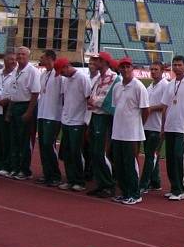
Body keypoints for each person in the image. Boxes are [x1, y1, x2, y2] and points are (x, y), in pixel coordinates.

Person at [158, 55, 184, 201]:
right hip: (170, 126)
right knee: (170, 158)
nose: (176, 67)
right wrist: (163, 126)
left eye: (179, 65)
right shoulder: (170, 84)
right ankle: (174, 187)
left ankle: (181, 189)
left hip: (183, 127)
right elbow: (164, 107)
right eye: (174, 65)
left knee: (177, 157)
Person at [110, 58, 149, 205]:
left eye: (128, 67)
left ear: (132, 68)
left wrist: (137, 126)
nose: (125, 70)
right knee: (119, 164)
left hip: (131, 134)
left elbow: (145, 110)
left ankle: (135, 193)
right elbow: (116, 107)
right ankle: (125, 192)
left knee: (130, 164)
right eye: (123, 67)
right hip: (118, 132)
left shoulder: (139, 87)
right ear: (119, 69)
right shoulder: (117, 87)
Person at [3, 46, 40, 180]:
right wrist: (9, 112)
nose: (19, 57)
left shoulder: (32, 71)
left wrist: (29, 112)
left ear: (28, 56)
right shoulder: (16, 71)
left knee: (24, 140)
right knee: (14, 139)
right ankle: (15, 167)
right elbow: (13, 93)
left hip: (26, 105)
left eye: (22, 54)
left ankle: (25, 170)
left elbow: (35, 93)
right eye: (18, 54)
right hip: (15, 106)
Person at [56, 58, 91, 191]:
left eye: (62, 71)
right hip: (67, 120)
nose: (62, 74)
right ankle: (70, 179)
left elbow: (89, 100)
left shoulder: (82, 78)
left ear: (67, 66)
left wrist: (87, 121)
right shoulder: (66, 80)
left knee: (76, 152)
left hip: (78, 121)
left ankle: (79, 180)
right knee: (67, 152)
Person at [86, 52, 119, 197]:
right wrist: (93, 101)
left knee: (100, 152)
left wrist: (93, 101)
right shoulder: (100, 77)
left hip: (103, 117)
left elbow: (104, 99)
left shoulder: (113, 78)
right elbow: (92, 95)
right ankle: (101, 183)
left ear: (104, 62)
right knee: (94, 151)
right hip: (95, 115)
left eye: (97, 60)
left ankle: (109, 184)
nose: (94, 62)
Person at [140, 61, 167, 192]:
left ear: (162, 71)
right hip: (147, 125)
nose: (153, 71)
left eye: (156, 69)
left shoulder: (165, 86)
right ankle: (155, 182)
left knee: (150, 156)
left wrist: (150, 109)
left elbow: (164, 106)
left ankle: (143, 184)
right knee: (151, 154)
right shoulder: (149, 87)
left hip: (157, 126)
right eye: (151, 69)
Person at [36, 49, 63, 186]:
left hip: (53, 115)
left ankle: (55, 175)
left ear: (50, 58)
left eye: (43, 57)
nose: (40, 59)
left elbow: (63, 96)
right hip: (42, 113)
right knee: (42, 145)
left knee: (49, 144)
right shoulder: (43, 75)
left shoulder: (59, 76)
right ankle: (47, 173)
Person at [0, 52, 16, 177]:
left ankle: (7, 165)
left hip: (7, 108)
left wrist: (7, 100)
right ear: (5, 61)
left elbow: (16, 93)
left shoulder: (16, 75)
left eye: (14, 59)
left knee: (6, 137)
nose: (13, 61)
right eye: (11, 59)